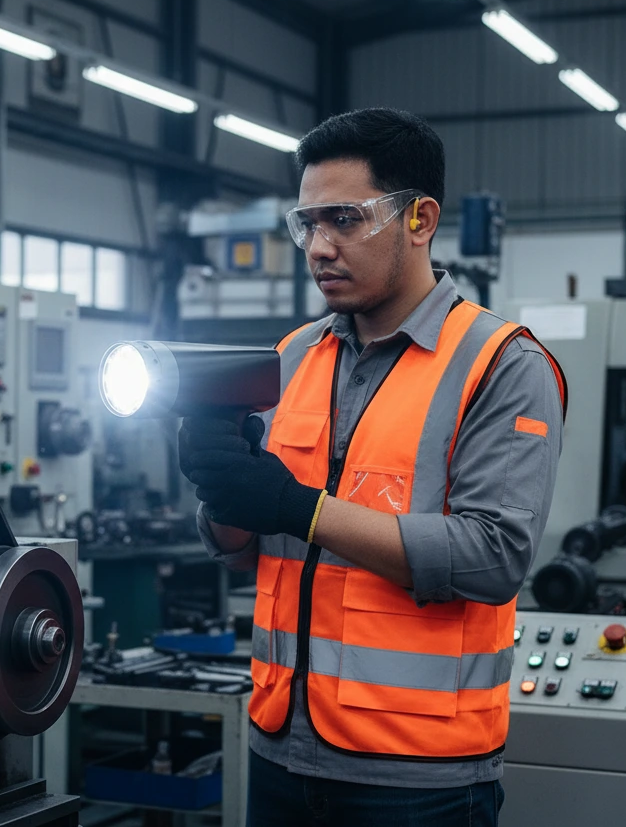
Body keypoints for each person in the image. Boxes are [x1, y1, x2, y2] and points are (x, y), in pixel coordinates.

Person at [180, 108, 566, 827]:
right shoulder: (290, 358)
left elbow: (494, 556)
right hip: (278, 751)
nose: (319, 247)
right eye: (306, 224)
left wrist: (301, 508)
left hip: (419, 780)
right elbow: (243, 553)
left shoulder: (501, 364)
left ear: (420, 219)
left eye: (344, 220)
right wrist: (220, 491)